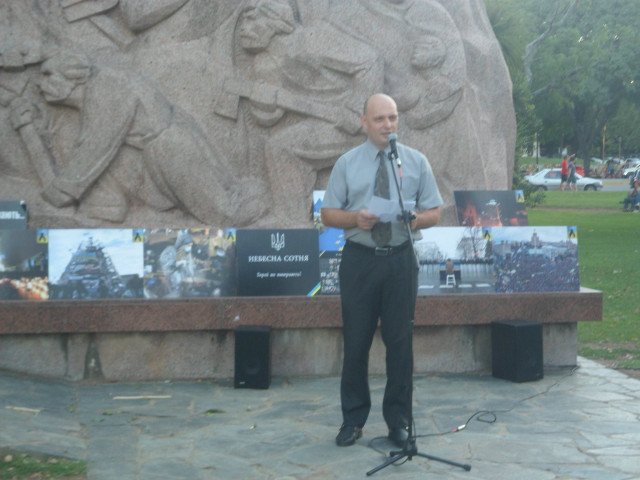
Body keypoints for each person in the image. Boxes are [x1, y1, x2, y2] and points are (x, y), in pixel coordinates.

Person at [321, 93, 443, 448]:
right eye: (380, 119)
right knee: (356, 342)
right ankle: (353, 419)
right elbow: (327, 214)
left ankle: (398, 422)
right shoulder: (347, 163)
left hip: (400, 260)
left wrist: (416, 218)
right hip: (360, 260)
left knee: (400, 343)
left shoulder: (415, 162)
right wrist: (354, 218)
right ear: (364, 122)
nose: (388, 125)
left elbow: (435, 211)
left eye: (393, 118)